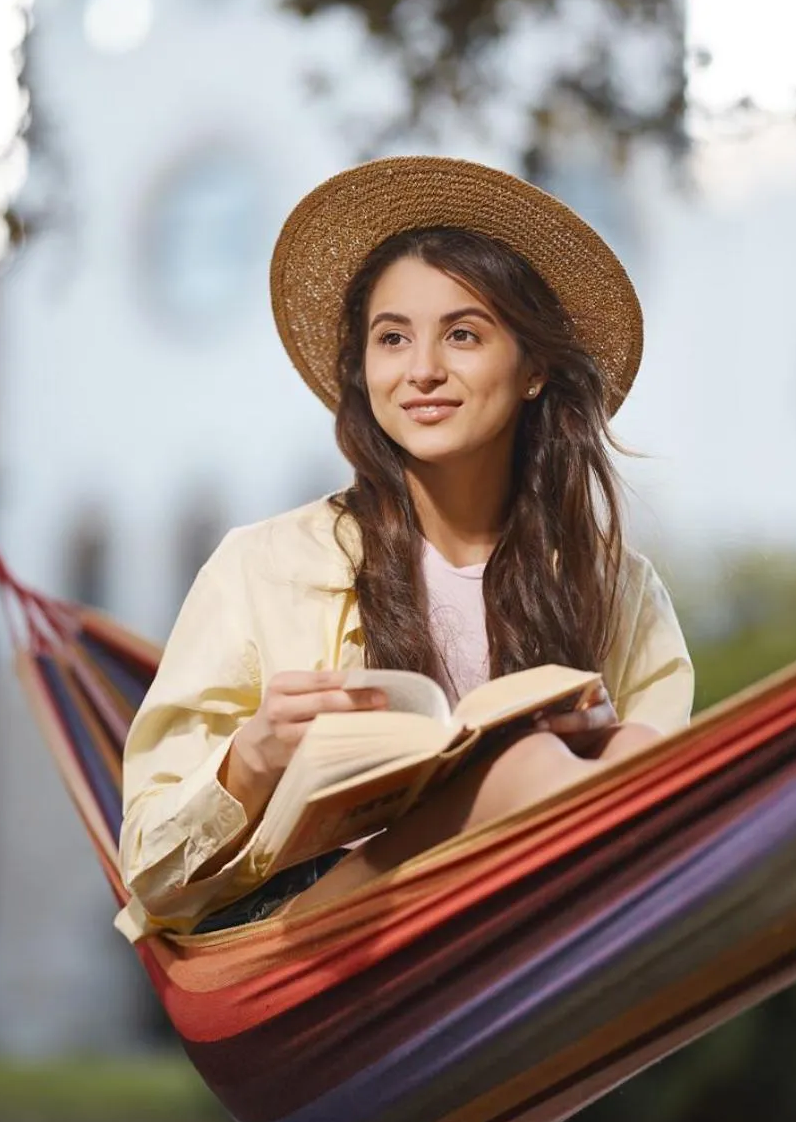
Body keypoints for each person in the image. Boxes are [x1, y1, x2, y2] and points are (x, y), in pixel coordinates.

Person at [116, 156, 693, 943]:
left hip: (545, 936)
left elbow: (662, 831)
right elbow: (149, 873)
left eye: (463, 334)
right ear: (364, 367)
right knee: (531, 768)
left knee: (629, 749)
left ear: (531, 370)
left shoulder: (618, 590)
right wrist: (250, 761)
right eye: (393, 338)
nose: (422, 370)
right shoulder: (263, 568)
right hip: (318, 947)